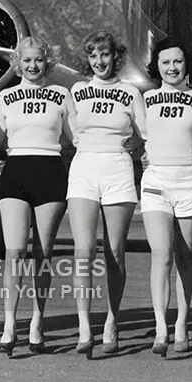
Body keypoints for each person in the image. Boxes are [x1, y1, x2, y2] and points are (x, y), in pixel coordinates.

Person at [66, 30, 146, 357]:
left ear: (116, 57)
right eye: (94, 55)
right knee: (83, 251)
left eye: (105, 55)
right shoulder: (77, 90)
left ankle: (113, 319)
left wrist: (135, 144)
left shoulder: (130, 92)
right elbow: (68, 131)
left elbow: (143, 134)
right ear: (87, 59)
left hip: (117, 168)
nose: (100, 61)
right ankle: (85, 327)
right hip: (85, 167)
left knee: (114, 252)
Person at [0, 37, 72, 357]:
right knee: (14, 252)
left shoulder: (62, 95)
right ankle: (9, 325)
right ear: (17, 63)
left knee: (42, 254)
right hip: (15, 171)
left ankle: (36, 322)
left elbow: (78, 135)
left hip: (51, 171)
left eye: (38, 60)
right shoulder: (5, 96)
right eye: (26, 60)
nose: (32, 66)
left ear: (47, 61)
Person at [141, 39, 192, 356]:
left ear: (186, 64)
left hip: (189, 180)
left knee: (185, 254)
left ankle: (182, 324)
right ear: (158, 66)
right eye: (166, 62)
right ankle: (160, 328)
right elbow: (142, 135)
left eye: (178, 61)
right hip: (156, 180)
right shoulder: (147, 99)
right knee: (161, 254)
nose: (172, 68)